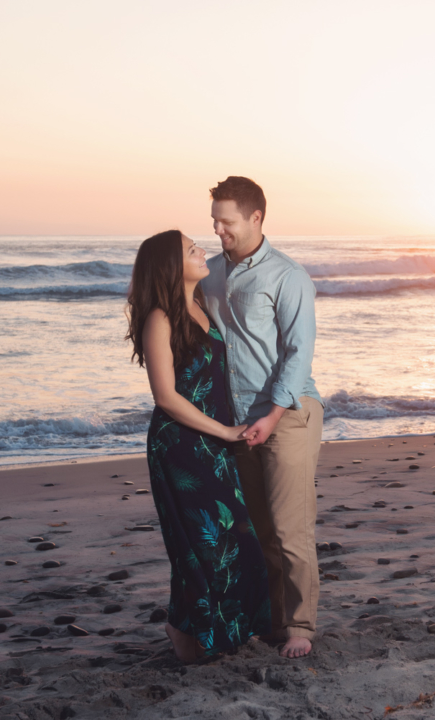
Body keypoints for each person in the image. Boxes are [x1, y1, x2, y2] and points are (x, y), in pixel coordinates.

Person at [126, 229, 271, 663]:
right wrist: (226, 432)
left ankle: (200, 631)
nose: (202, 249)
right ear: (172, 267)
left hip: (214, 443)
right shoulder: (160, 318)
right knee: (201, 545)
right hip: (181, 445)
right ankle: (183, 630)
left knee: (233, 539)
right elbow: (166, 397)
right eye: (192, 249)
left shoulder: (201, 306)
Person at [201, 177, 325, 659]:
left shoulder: (287, 276)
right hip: (235, 421)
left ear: (256, 218)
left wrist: (272, 415)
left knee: (291, 527)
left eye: (226, 221)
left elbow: (298, 354)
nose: (218, 229)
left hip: (288, 412)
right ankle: (272, 620)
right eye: (214, 221)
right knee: (256, 530)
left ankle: (299, 627)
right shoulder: (207, 273)